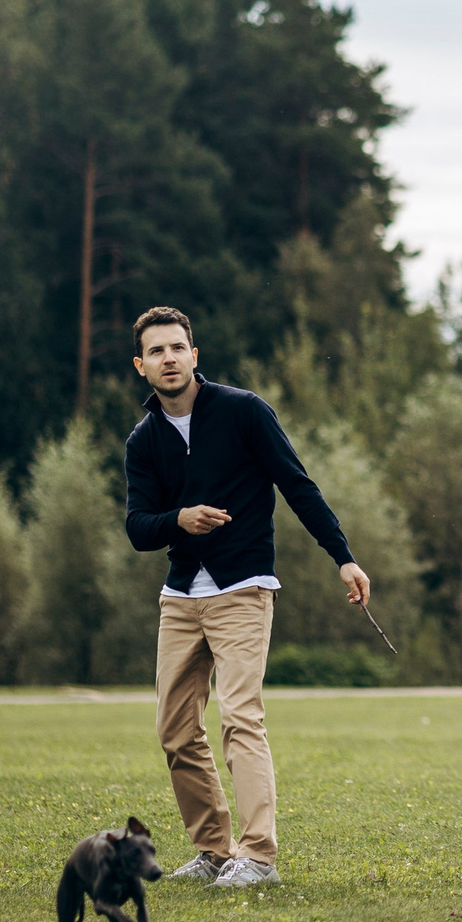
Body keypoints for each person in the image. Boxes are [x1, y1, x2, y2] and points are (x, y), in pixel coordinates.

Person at [123, 306, 371, 888]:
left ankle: (257, 856)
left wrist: (345, 557)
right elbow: (138, 527)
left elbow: (298, 484)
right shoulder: (144, 441)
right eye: (156, 352)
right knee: (175, 730)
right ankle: (214, 850)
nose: (169, 359)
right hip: (180, 595)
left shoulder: (244, 412)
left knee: (240, 718)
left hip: (243, 590)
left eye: (177, 348)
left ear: (195, 354)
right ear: (141, 366)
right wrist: (179, 519)